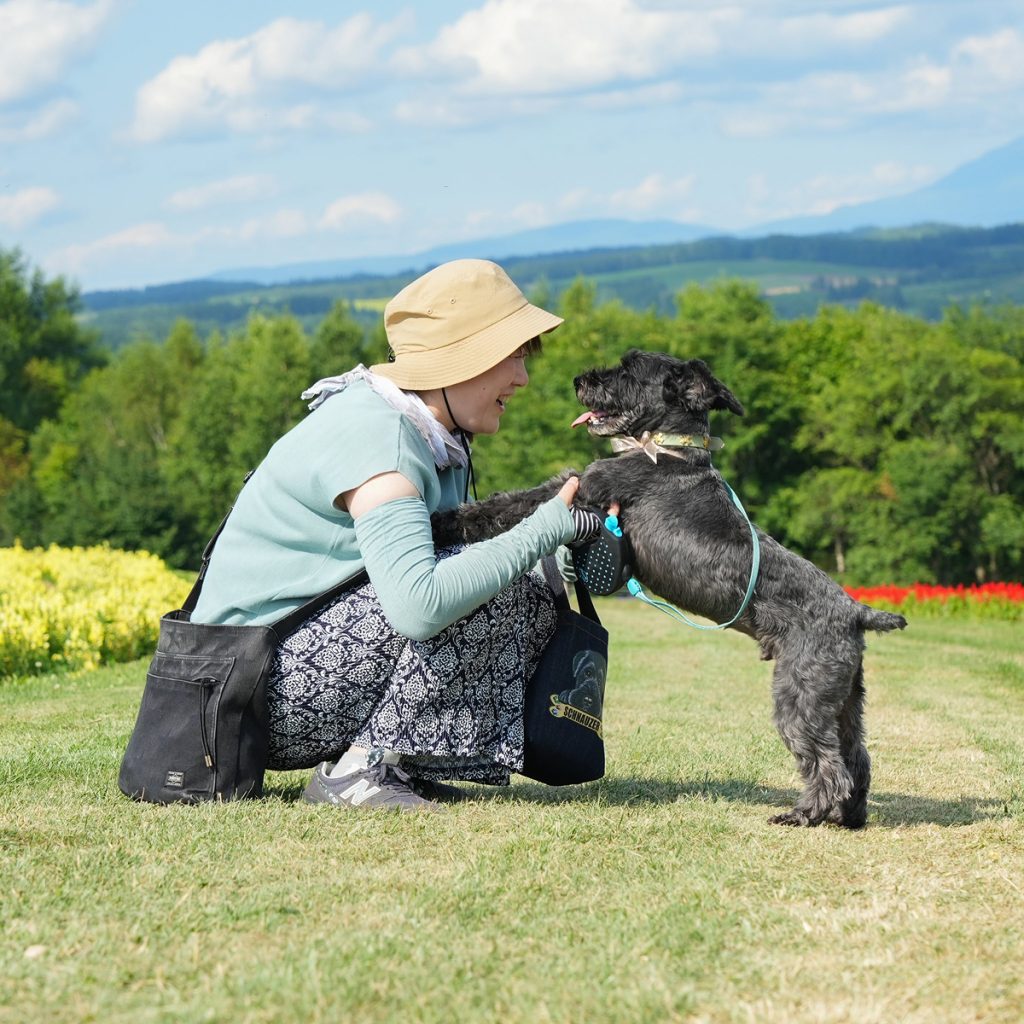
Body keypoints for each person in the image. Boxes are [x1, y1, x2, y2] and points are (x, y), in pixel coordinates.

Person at [191, 259, 604, 811]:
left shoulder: (430, 433)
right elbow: (419, 605)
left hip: (272, 674)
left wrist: (561, 550)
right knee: (499, 587)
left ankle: (399, 760)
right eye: (515, 355)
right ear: (464, 356)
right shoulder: (380, 436)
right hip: (246, 695)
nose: (523, 378)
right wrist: (539, 532)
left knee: (514, 582)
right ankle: (360, 770)